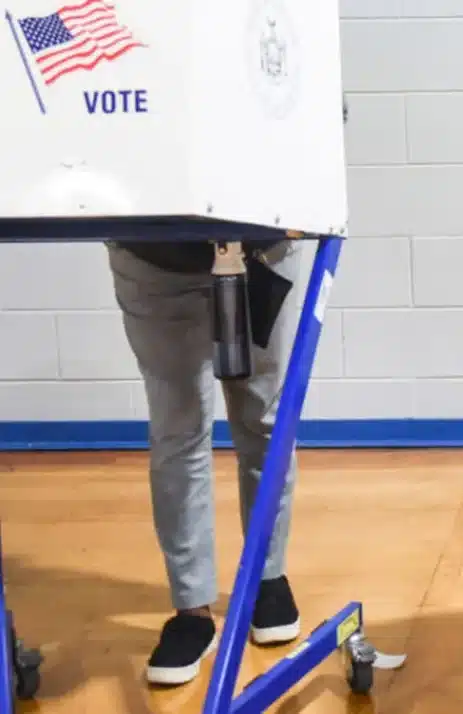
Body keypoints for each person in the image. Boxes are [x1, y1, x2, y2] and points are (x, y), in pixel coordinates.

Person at [106, 237, 303, 685]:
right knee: (177, 428)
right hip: (154, 254)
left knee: (264, 420)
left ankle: (267, 577)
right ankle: (192, 609)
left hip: (260, 247)